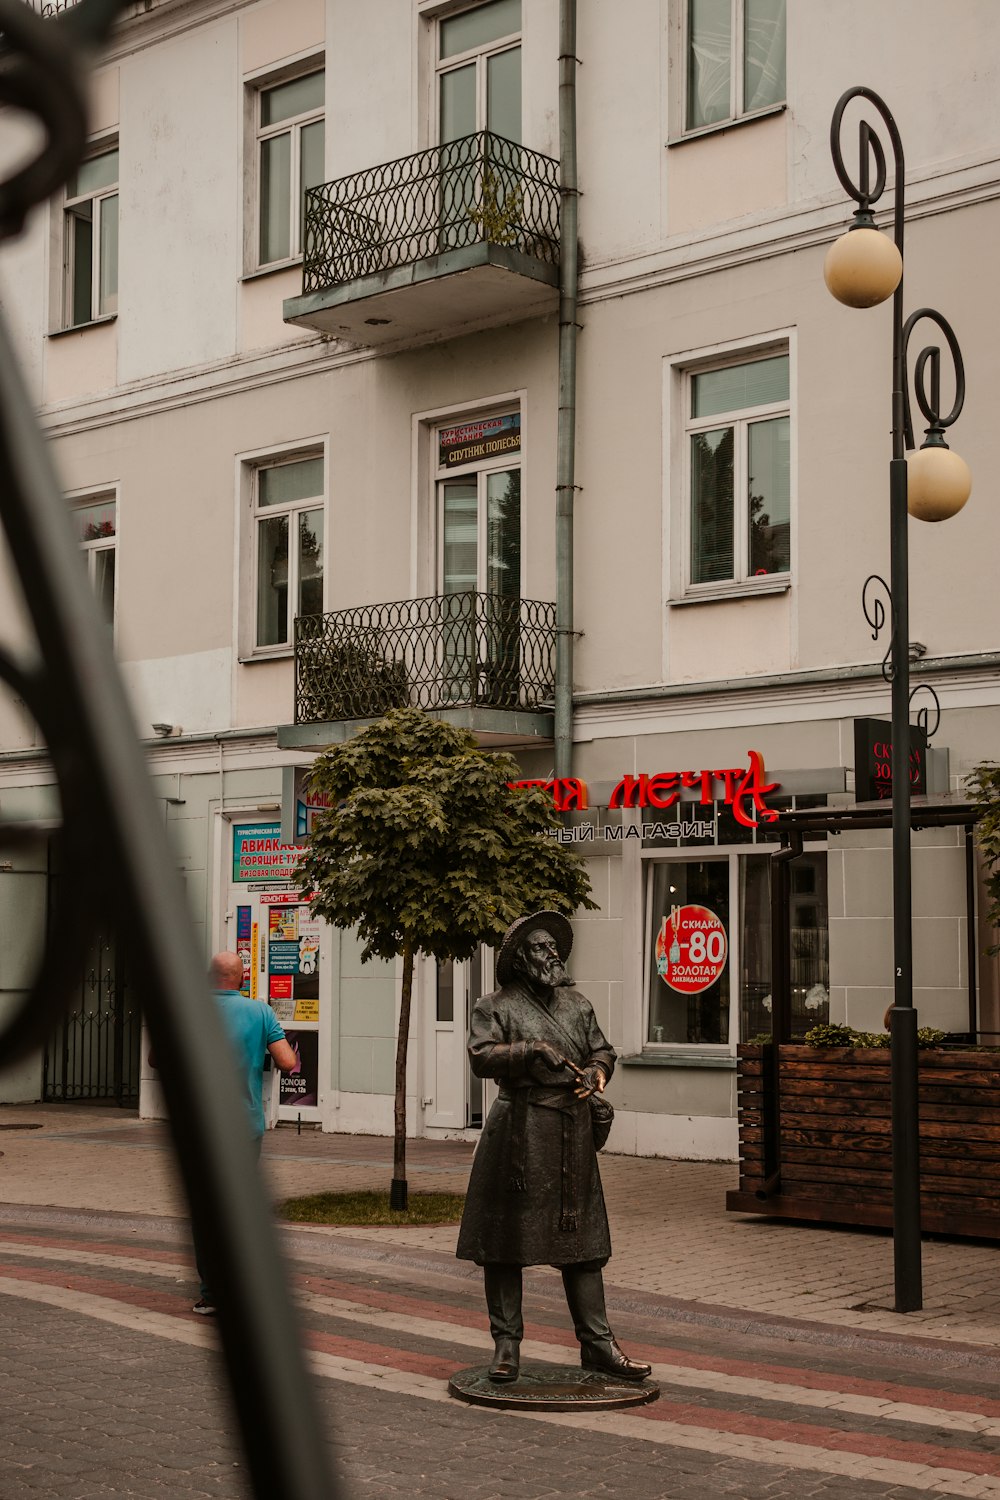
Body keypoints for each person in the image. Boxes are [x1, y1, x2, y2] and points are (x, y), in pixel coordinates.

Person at [456, 912, 651, 1385]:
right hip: (517, 1134)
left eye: (554, 948)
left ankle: (598, 1345)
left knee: (583, 1244)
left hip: (570, 1133)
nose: (553, 955)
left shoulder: (577, 1005)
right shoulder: (494, 1006)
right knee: (505, 1243)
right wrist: (528, 1052)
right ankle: (506, 1345)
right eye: (541, 948)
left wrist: (596, 1072)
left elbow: (602, 1050)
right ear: (520, 960)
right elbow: (481, 1057)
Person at [149, 951, 296, 1315]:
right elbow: (287, 1062)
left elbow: (156, 1059)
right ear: (241, 978)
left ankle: (211, 1293)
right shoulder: (260, 1012)